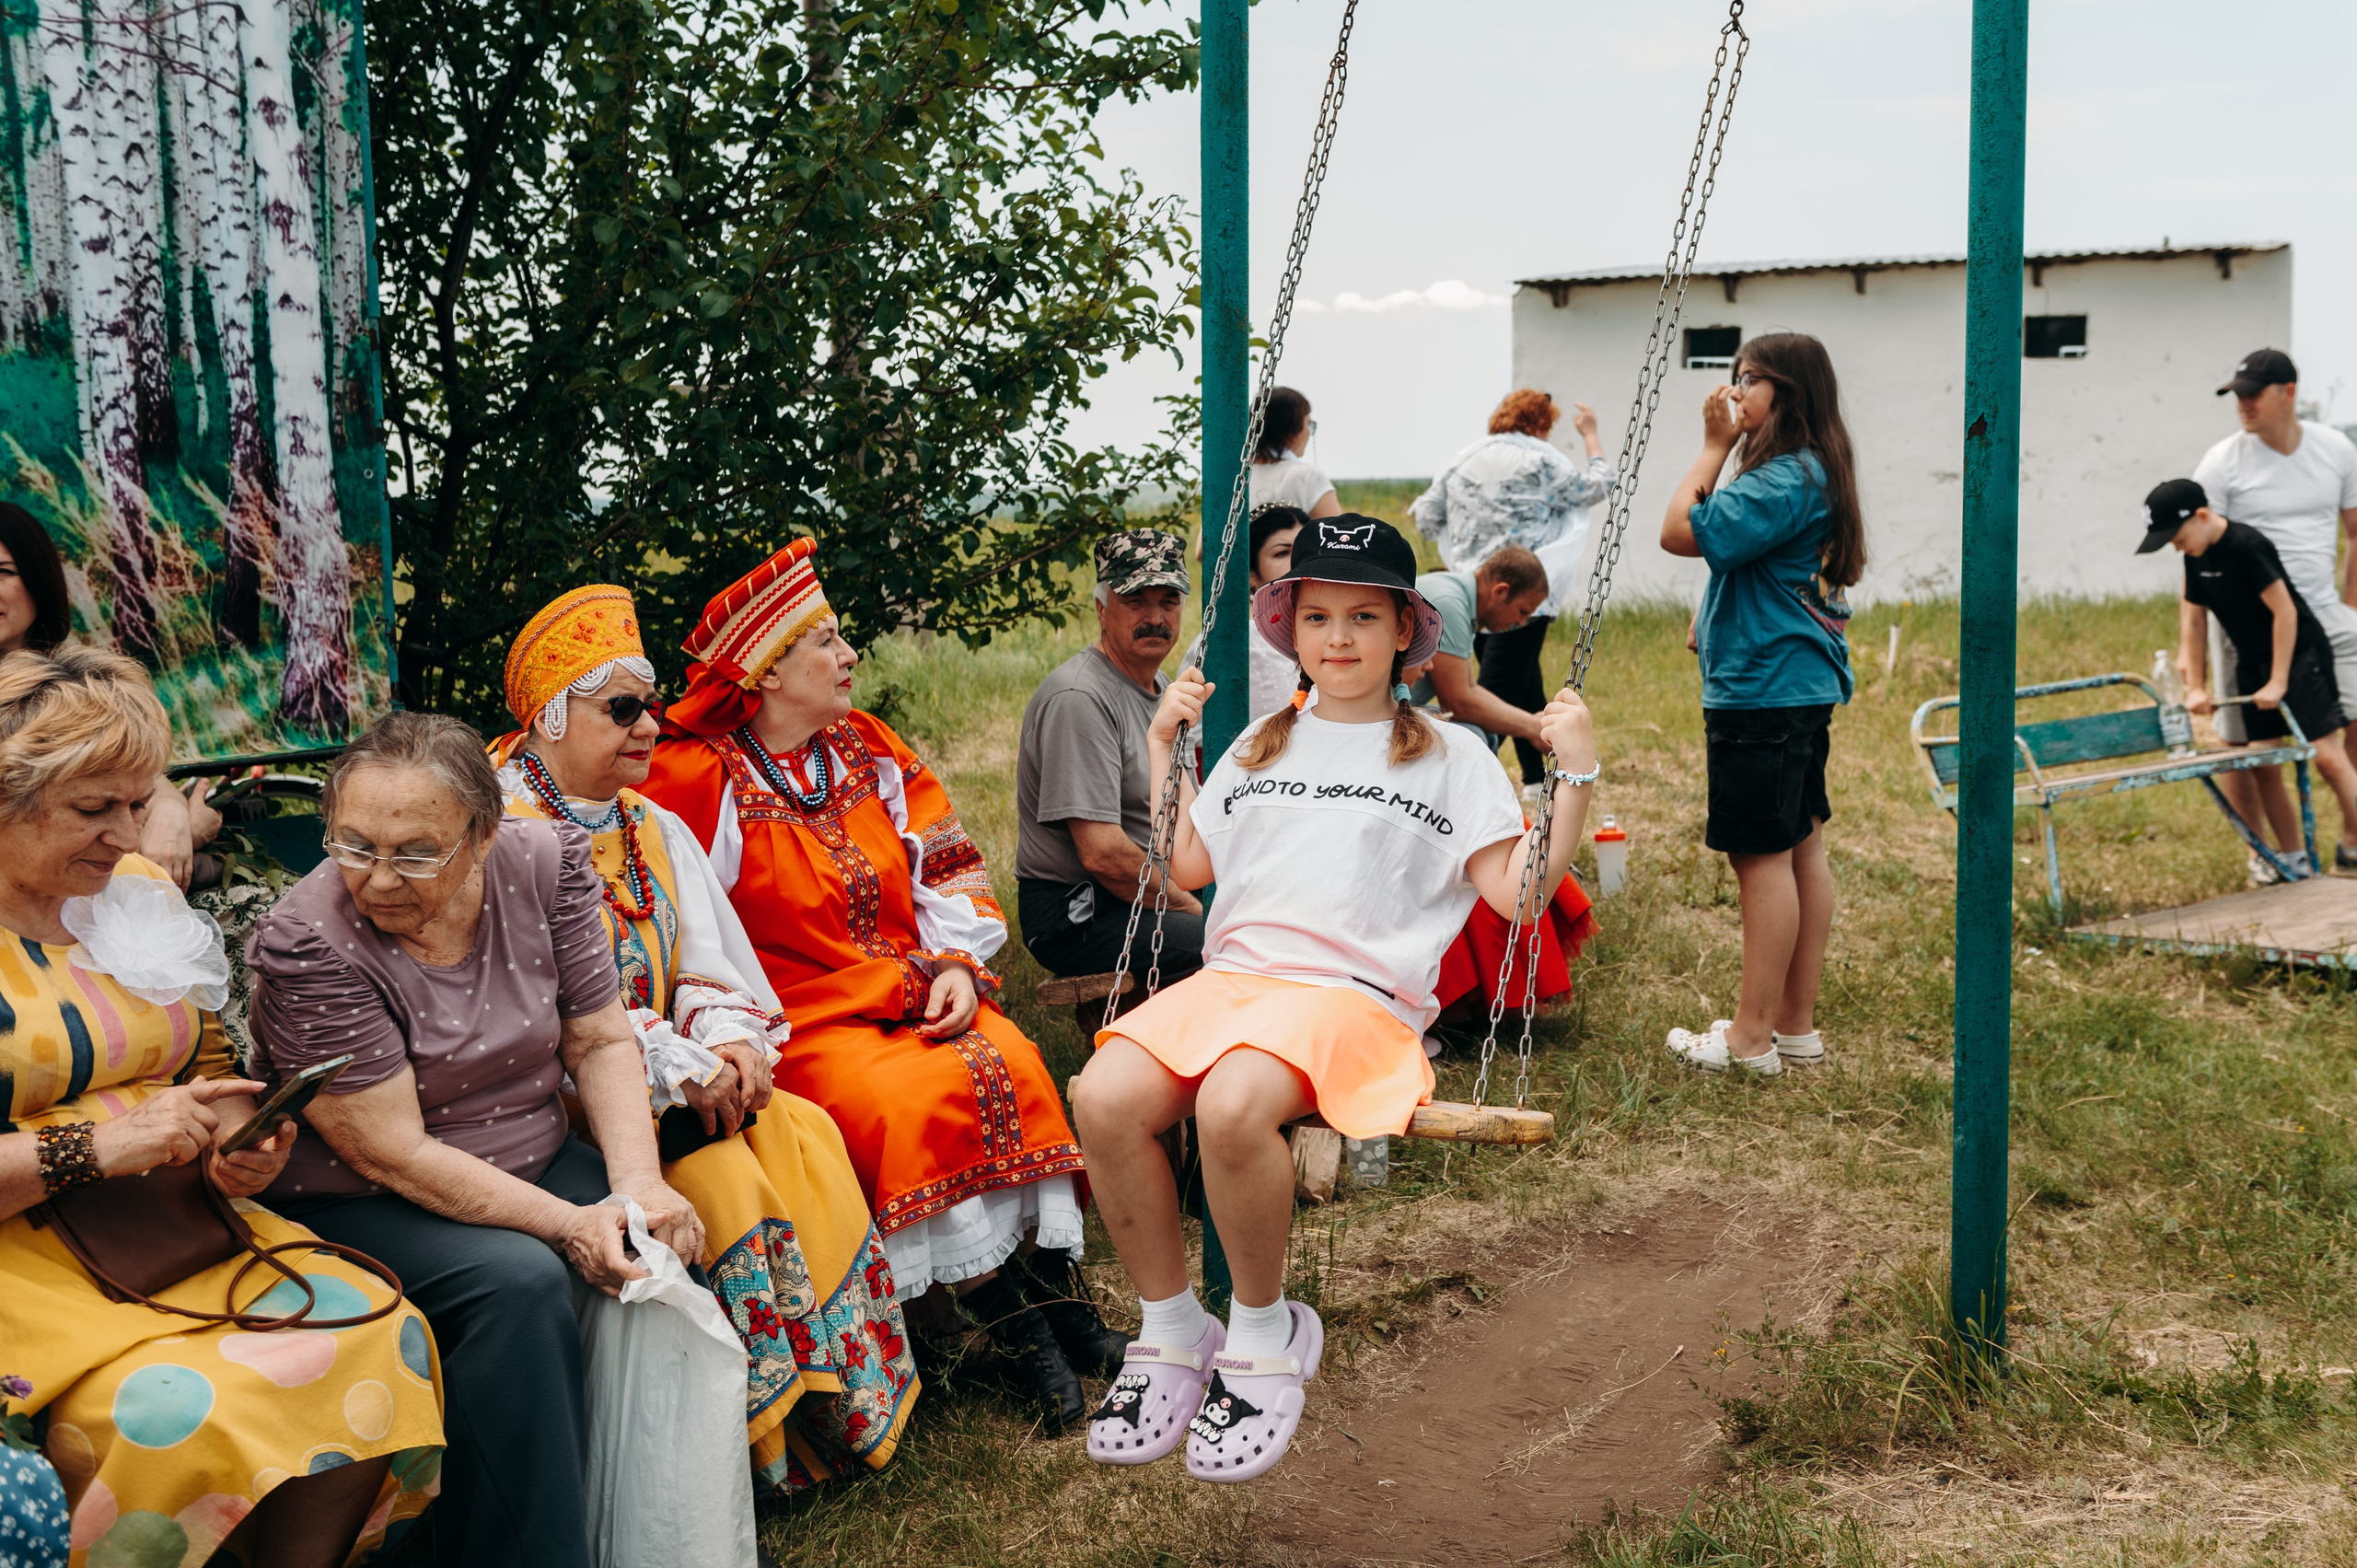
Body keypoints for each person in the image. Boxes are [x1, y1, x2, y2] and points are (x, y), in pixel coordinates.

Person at [1070, 515, 1595, 1482]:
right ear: (1292, 627)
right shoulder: (1262, 743)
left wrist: (1574, 772)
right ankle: (1172, 1327)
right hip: (1236, 980)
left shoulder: (1450, 756)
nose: (1339, 636)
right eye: (1318, 615)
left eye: (1363, 615)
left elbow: (1520, 897)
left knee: (1231, 1103)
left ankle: (1265, 1333)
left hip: (1351, 997)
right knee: (1100, 1095)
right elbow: (1184, 863)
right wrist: (1163, 745)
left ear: (1405, 630)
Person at [641, 540, 1122, 1434]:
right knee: (904, 1101)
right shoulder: (699, 777)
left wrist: (960, 969)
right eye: (824, 639)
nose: (848, 653)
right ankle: (1018, 1329)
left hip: (910, 991)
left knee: (1009, 1058)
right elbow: (680, 924)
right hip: (802, 1020)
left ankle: (1060, 1305)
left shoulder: (865, 747)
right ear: (769, 670)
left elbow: (949, 868)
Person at [0, 647, 442, 1568]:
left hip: (175, 1221)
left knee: (374, 1327)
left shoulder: (131, 893)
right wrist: (96, 1148)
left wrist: (233, 1146)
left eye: (136, 800)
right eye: (94, 808)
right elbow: (116, 1136)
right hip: (25, 1263)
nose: (129, 834)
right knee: (178, 1403)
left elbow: (198, 1065)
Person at [249, 710, 704, 1567]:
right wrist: (571, 1223)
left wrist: (637, 1182)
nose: (378, 879)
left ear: (484, 834)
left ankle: (650, 1525)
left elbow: (600, 1037)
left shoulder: (547, 864)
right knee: (518, 1283)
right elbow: (392, 1151)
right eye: (352, 846)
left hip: (523, 1153)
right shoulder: (309, 941)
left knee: (663, 1229)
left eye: (415, 852)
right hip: (365, 1197)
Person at [493, 585, 918, 1494]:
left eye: (649, 703)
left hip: (674, 1091)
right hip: (564, 1108)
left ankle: (825, 1416)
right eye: (621, 708)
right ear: (549, 716)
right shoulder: (498, 833)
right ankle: (745, 1453)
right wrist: (665, 1063)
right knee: (725, 1176)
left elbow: (706, 959)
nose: (649, 726)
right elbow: (539, 1007)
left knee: (801, 1129)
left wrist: (722, 1042)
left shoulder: (648, 824)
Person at [1657, 331, 1863, 1076]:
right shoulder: (1814, 471)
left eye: (1751, 378)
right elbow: (1765, 569)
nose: (1734, 389)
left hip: (1761, 691)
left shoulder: (1779, 477)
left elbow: (1680, 529)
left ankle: (1749, 1038)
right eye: (1733, 374)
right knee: (1800, 843)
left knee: (1760, 857)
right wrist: (1712, 616)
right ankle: (1795, 1027)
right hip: (1797, 682)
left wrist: (1712, 445)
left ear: (1790, 393)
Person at [2189, 349, 2357, 877]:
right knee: (2244, 742)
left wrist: (2350, 607)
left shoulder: (2336, 449)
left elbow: (2356, 532)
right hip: (2246, 626)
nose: (2243, 404)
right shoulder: (2221, 463)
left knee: (2346, 728)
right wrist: (2190, 653)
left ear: (2288, 393)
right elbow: (2198, 552)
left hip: (2324, 613)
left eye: (2253, 393)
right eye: (2236, 394)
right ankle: (2266, 855)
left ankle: (2352, 840)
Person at [1016, 528, 1206, 983]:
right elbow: (1103, 855)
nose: (1155, 617)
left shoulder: (1162, 689)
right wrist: (1195, 907)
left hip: (1144, 894)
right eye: (1137, 601)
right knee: (1224, 943)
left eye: (1168, 602)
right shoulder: (1080, 696)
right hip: (1081, 911)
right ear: (1102, 609)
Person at [0, 502, 219, 887]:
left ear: (37, 579)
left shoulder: (79, 680)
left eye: (2, 572)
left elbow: (138, 775)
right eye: (93, 807)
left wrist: (171, 814)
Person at [1413, 389, 1614, 791]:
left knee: (1518, 680)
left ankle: (1536, 780)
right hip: (1525, 588)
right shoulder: (1541, 460)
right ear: (1541, 425)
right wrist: (1590, 434)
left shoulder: (1462, 461)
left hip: (1475, 583)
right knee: (1496, 689)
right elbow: (1597, 486)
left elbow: (1426, 519)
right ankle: (1474, 787)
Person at [2146, 479, 2357, 858]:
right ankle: (2294, 859)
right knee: (2263, 762)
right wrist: (2196, 686)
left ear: (2202, 515)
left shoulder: (2247, 545)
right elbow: (2194, 624)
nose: (2175, 546)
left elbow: (2285, 612)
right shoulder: (2194, 559)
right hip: (2252, 661)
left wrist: (2279, 679)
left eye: (2176, 537)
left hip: (2299, 654)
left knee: (2326, 756)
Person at [1406, 544, 1550, 762]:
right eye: (1522, 612)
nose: (1521, 623)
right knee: (1474, 737)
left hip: (1393, 706)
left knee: (1485, 734)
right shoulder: (1450, 604)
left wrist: (1531, 722)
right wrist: (1531, 728)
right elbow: (1458, 703)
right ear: (1500, 592)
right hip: (1372, 716)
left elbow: (1469, 688)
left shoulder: (1459, 598)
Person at [1182, 505, 1309, 722]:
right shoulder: (1243, 642)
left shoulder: (1328, 633)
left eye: (1304, 551)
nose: (1297, 563)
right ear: (1250, 574)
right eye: (1282, 553)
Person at [1248, 388, 1341, 519]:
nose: (1309, 432)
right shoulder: (1306, 477)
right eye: (1308, 424)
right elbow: (1339, 535)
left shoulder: (1237, 476)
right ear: (1293, 429)